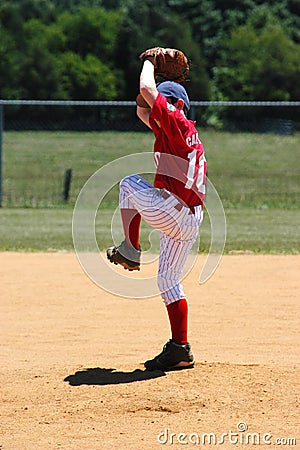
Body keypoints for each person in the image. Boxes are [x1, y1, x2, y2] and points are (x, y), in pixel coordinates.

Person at [107, 57, 207, 371]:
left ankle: (130, 250)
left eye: (161, 103)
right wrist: (145, 97)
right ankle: (180, 347)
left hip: (172, 210)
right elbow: (142, 107)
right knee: (168, 280)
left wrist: (150, 62)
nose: (154, 109)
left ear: (175, 104)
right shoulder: (175, 130)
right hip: (190, 218)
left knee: (127, 185)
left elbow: (146, 88)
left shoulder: (175, 121)